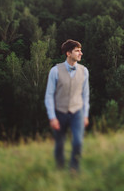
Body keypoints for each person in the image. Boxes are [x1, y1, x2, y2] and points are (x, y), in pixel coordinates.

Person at [45, 39, 90, 173]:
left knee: (78, 142)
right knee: (59, 144)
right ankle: (59, 168)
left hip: (77, 112)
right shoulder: (55, 71)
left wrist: (85, 115)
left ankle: (73, 168)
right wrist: (52, 117)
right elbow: (49, 95)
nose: (80, 53)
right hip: (60, 112)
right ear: (68, 53)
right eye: (77, 51)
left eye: (80, 50)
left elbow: (85, 95)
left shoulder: (84, 71)